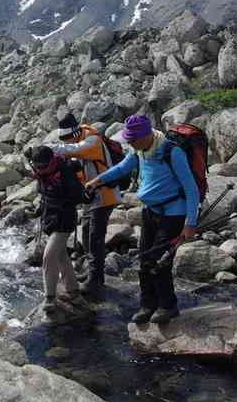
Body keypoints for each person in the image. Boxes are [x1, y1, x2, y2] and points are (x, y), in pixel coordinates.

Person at [84, 114, 199, 324]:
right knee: (144, 258)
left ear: (146, 135)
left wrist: (190, 224)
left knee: (159, 261)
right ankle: (148, 304)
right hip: (150, 211)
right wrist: (97, 181)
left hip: (173, 214)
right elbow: (122, 169)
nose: (128, 143)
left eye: (131, 139)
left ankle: (168, 306)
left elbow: (191, 190)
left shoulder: (172, 152)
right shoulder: (139, 150)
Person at [49, 113, 122, 299]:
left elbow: (75, 149)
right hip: (91, 196)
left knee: (95, 237)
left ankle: (95, 280)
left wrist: (51, 149)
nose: (65, 141)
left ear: (74, 133)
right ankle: (91, 272)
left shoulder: (92, 140)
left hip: (105, 195)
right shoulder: (82, 141)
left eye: (66, 138)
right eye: (62, 139)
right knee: (86, 233)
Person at [27, 146, 89, 315]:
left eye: (42, 166)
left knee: (49, 256)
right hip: (49, 217)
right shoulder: (43, 172)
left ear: (51, 161)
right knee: (61, 255)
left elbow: (78, 196)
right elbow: (43, 191)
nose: (39, 169)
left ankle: (50, 297)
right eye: (37, 166)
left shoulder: (65, 172)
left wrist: (84, 196)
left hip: (64, 219)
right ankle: (73, 291)